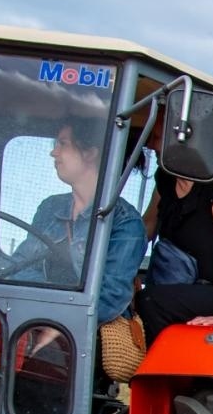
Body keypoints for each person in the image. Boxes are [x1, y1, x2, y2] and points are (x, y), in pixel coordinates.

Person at [9, 119, 147, 325]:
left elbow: (110, 297)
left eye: (62, 143)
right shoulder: (50, 207)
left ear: (90, 152)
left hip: (87, 329)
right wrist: (46, 312)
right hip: (36, 319)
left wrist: (59, 323)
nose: (53, 152)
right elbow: (19, 268)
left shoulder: (125, 223)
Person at [136, 122, 213, 345]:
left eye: (157, 136)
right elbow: (147, 226)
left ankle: (164, 374)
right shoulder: (166, 179)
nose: (151, 144)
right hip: (179, 282)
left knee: (151, 302)